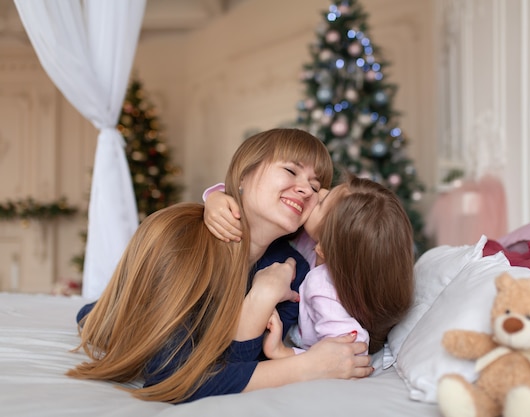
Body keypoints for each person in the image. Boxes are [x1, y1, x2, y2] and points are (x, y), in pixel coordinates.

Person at [67, 128, 373, 404]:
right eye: (291, 170)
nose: (306, 190)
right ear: (243, 176)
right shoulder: (180, 240)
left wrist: (261, 298)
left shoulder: (293, 275)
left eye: (315, 185)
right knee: (97, 316)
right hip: (116, 318)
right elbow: (171, 377)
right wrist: (306, 367)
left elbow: (237, 363)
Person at [204, 175, 415, 358]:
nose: (319, 191)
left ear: (324, 247)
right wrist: (216, 198)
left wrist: (284, 353)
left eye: (322, 203)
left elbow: (352, 351)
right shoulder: (317, 241)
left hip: (284, 337)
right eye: (328, 191)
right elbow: (257, 202)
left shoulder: (322, 288)